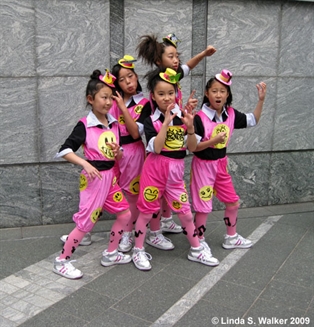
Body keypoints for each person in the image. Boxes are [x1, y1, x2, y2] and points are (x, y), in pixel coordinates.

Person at [131, 67, 220, 271]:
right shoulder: (151, 120)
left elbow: (192, 147)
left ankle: (196, 250)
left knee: (186, 213)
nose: (166, 98)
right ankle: (138, 250)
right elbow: (158, 147)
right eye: (161, 94)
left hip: (175, 174)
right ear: (153, 96)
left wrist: (189, 127)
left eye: (170, 93)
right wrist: (166, 123)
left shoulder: (185, 117)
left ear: (176, 93)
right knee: (145, 213)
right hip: (154, 172)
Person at [136, 33, 216, 244]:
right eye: (171, 56)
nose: (176, 60)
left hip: (175, 143)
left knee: (170, 189)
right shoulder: (158, 86)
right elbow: (145, 124)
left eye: (176, 56)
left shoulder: (174, 78)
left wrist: (186, 108)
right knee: (155, 194)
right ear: (158, 61)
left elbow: (189, 65)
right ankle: (153, 233)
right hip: (159, 147)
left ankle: (166, 220)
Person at [53, 69, 132, 279]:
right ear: (91, 99)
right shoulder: (84, 125)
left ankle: (111, 253)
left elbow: (120, 155)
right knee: (85, 223)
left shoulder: (114, 123)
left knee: (125, 214)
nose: (107, 102)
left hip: (110, 179)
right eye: (103, 97)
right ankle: (62, 261)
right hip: (94, 180)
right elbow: (64, 150)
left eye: (110, 97)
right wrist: (85, 163)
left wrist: (119, 152)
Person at [190, 69, 267, 255]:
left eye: (222, 91)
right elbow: (193, 147)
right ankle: (198, 241)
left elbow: (253, 120)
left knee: (233, 202)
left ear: (227, 95)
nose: (218, 95)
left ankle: (231, 237)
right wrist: (212, 142)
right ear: (207, 94)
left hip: (221, 165)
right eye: (214, 91)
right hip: (203, 166)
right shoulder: (199, 118)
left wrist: (261, 100)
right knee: (203, 207)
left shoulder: (230, 114)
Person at [110, 55, 152, 252]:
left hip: (133, 151)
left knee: (132, 194)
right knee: (108, 189)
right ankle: (86, 230)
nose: (128, 82)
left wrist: (121, 107)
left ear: (136, 77)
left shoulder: (145, 103)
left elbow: (135, 132)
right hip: (112, 151)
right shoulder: (111, 101)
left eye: (131, 76)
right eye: (122, 79)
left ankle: (128, 233)